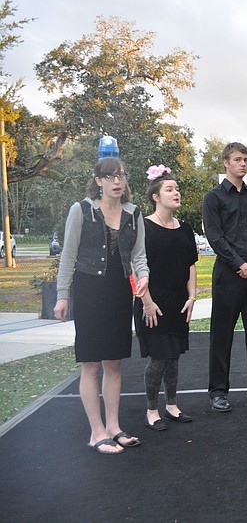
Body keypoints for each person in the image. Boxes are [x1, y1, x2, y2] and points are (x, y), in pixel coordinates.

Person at [54, 157, 149, 454]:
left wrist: (143, 277)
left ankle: (113, 427)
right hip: (88, 290)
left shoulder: (134, 214)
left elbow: (139, 256)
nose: (116, 182)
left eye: (120, 176)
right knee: (92, 363)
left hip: (119, 290)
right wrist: (62, 294)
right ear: (98, 181)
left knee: (114, 363)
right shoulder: (81, 210)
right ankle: (96, 433)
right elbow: (68, 255)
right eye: (110, 177)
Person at [202, 142, 247, 412]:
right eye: (237, 159)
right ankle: (218, 391)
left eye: (246, 159)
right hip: (228, 274)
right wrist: (239, 265)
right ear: (225, 163)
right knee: (221, 334)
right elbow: (215, 237)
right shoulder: (214, 198)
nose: (243, 164)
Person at [134, 165, 198, 431]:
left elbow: (191, 264)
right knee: (158, 357)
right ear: (155, 196)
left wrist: (192, 296)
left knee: (173, 356)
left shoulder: (184, 228)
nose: (176, 193)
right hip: (152, 301)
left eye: (177, 189)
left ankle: (171, 404)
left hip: (178, 301)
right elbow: (136, 266)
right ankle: (152, 409)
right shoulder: (143, 226)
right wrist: (147, 302)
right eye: (170, 189)